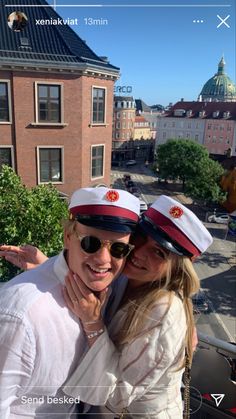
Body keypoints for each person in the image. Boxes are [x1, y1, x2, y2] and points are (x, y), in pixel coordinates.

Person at [1, 195, 213, 418]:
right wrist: (51, 269)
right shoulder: (125, 279)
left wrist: (94, 323)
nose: (139, 254)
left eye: (159, 252)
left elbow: (116, 398)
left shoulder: (164, 312)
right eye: (139, 239)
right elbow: (96, 266)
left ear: (177, 267)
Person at [0, 187, 140, 419]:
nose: (104, 260)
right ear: (68, 237)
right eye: (91, 243)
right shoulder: (22, 315)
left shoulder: (107, 288)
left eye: (118, 248)